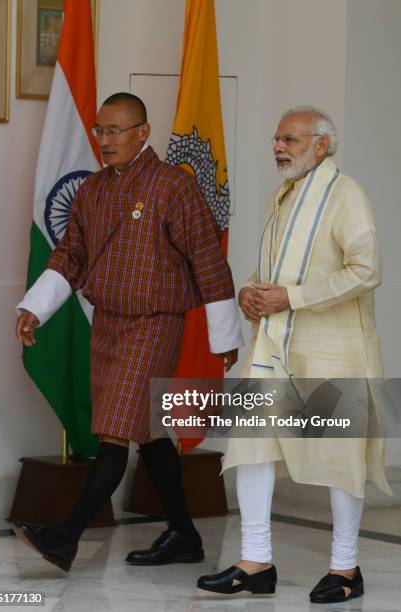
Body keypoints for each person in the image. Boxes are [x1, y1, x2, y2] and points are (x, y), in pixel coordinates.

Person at [13, 92, 243, 573]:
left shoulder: (172, 187)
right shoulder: (91, 189)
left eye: (115, 130)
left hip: (155, 324)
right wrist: (35, 307)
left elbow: (207, 257)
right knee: (150, 434)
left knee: (115, 432)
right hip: (110, 324)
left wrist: (224, 338)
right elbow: (69, 256)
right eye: (100, 130)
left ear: (143, 132)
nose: (104, 139)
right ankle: (184, 533)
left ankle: (65, 536)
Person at [197, 106, 392, 604]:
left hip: (334, 350)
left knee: (339, 456)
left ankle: (346, 569)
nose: (279, 147)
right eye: (276, 138)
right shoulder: (282, 196)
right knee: (254, 445)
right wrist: (249, 293)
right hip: (275, 345)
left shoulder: (345, 195)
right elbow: (271, 270)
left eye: (290, 139)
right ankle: (255, 562)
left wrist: (292, 297)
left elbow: (366, 270)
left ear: (322, 145)